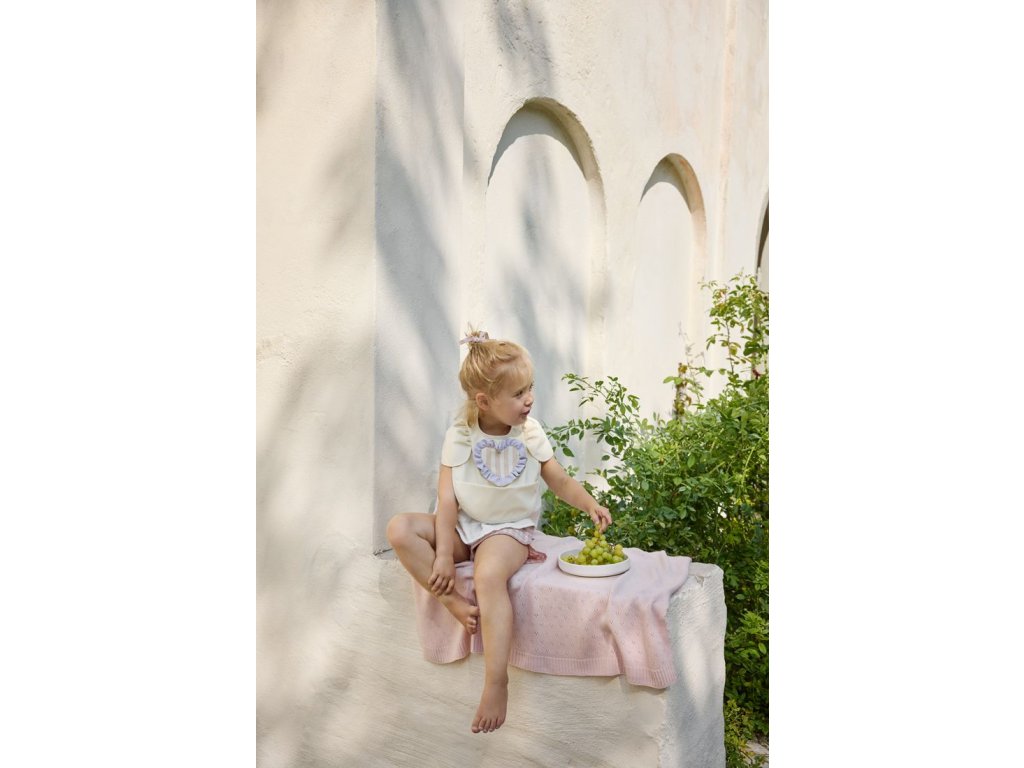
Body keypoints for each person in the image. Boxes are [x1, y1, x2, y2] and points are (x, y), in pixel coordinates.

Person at [386, 328, 612, 734]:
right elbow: (447, 500)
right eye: (518, 393)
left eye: (530, 388)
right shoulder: (460, 433)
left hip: (507, 531)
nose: (529, 399)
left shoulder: (529, 432)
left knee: (489, 575)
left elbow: (559, 480)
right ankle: (454, 603)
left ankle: (496, 682)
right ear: (484, 401)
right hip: (463, 528)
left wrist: (589, 503)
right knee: (400, 529)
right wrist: (443, 555)